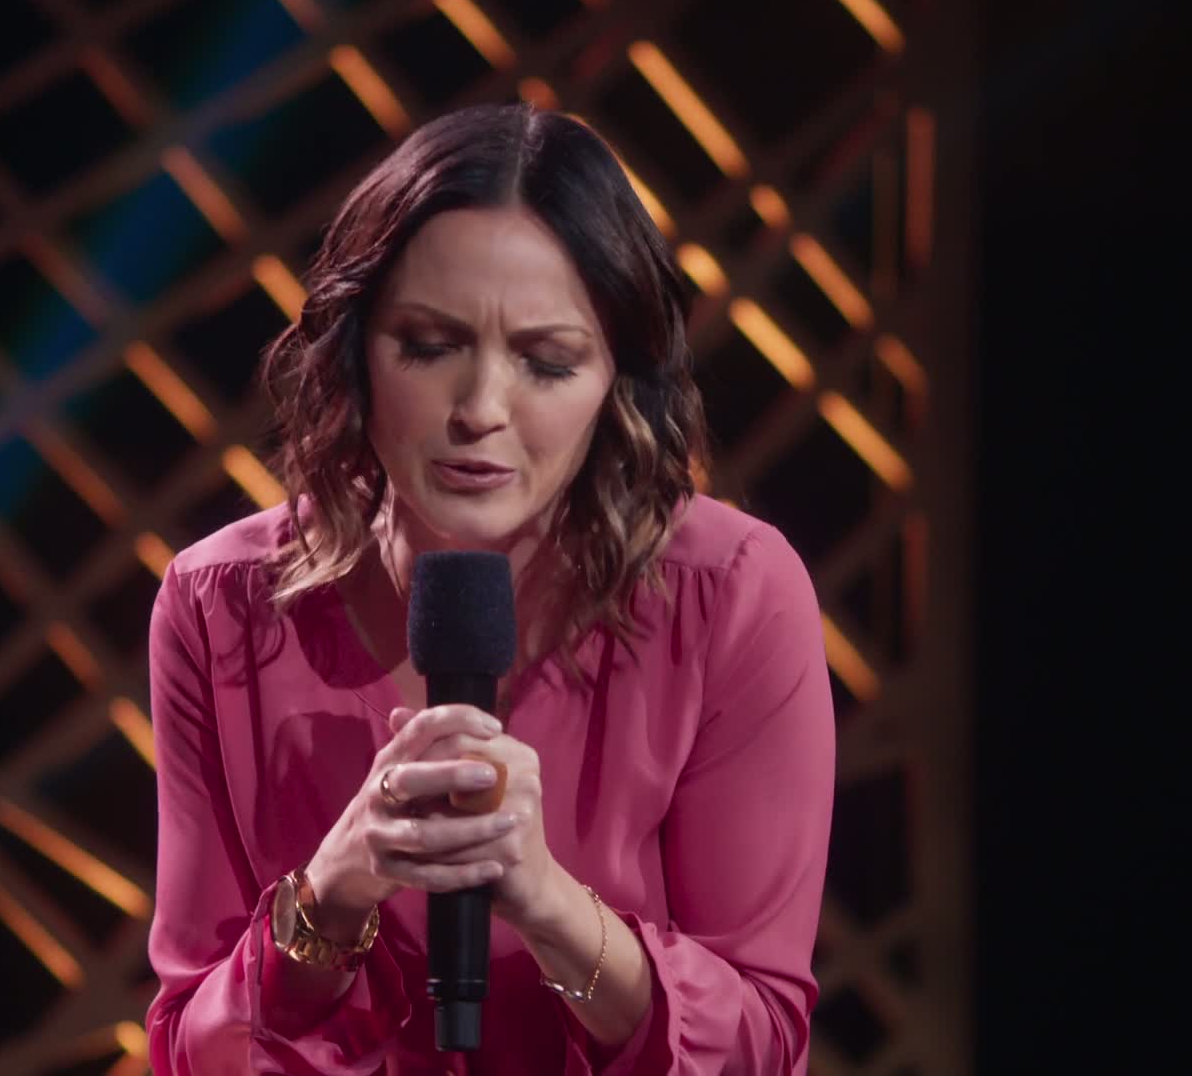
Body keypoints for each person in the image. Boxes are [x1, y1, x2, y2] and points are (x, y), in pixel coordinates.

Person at [144, 102, 835, 1074]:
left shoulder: (730, 595)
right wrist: (335, 891)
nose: (480, 410)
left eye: (548, 363)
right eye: (430, 347)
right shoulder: (219, 606)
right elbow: (193, 1055)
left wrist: (548, 903)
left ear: (616, 383)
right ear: (354, 350)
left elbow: (761, 1049)